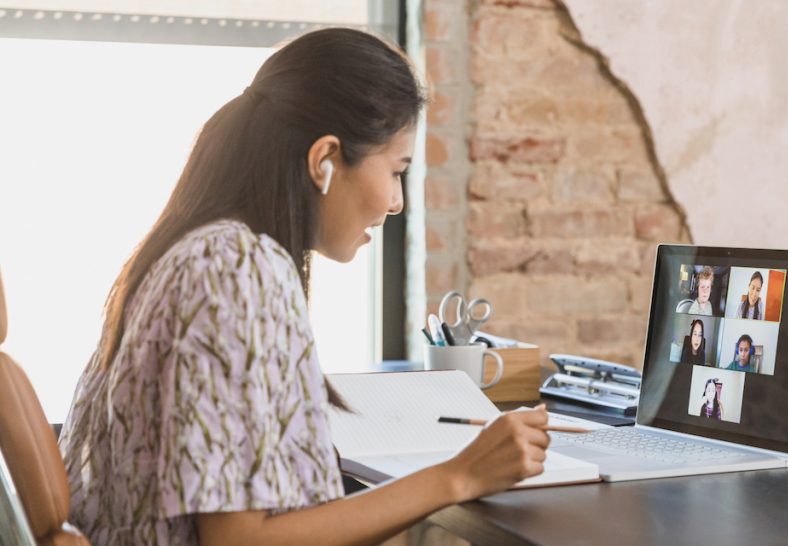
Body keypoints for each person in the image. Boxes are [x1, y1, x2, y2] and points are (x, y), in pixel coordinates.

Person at [57, 28, 550, 546]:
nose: (396, 201)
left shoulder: (204, 251)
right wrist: (460, 476)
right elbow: (240, 541)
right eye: (396, 170)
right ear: (324, 161)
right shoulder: (235, 270)